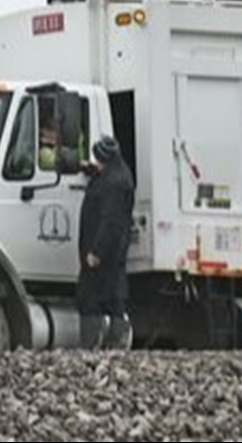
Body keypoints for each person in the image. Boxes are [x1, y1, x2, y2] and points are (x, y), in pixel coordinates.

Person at [76, 135, 135, 350]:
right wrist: (84, 167)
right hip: (110, 254)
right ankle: (110, 342)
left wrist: (96, 252)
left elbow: (111, 222)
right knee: (111, 297)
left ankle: (97, 343)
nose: (96, 163)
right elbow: (99, 172)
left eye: (97, 159)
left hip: (104, 255)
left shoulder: (114, 184)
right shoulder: (116, 174)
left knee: (93, 298)